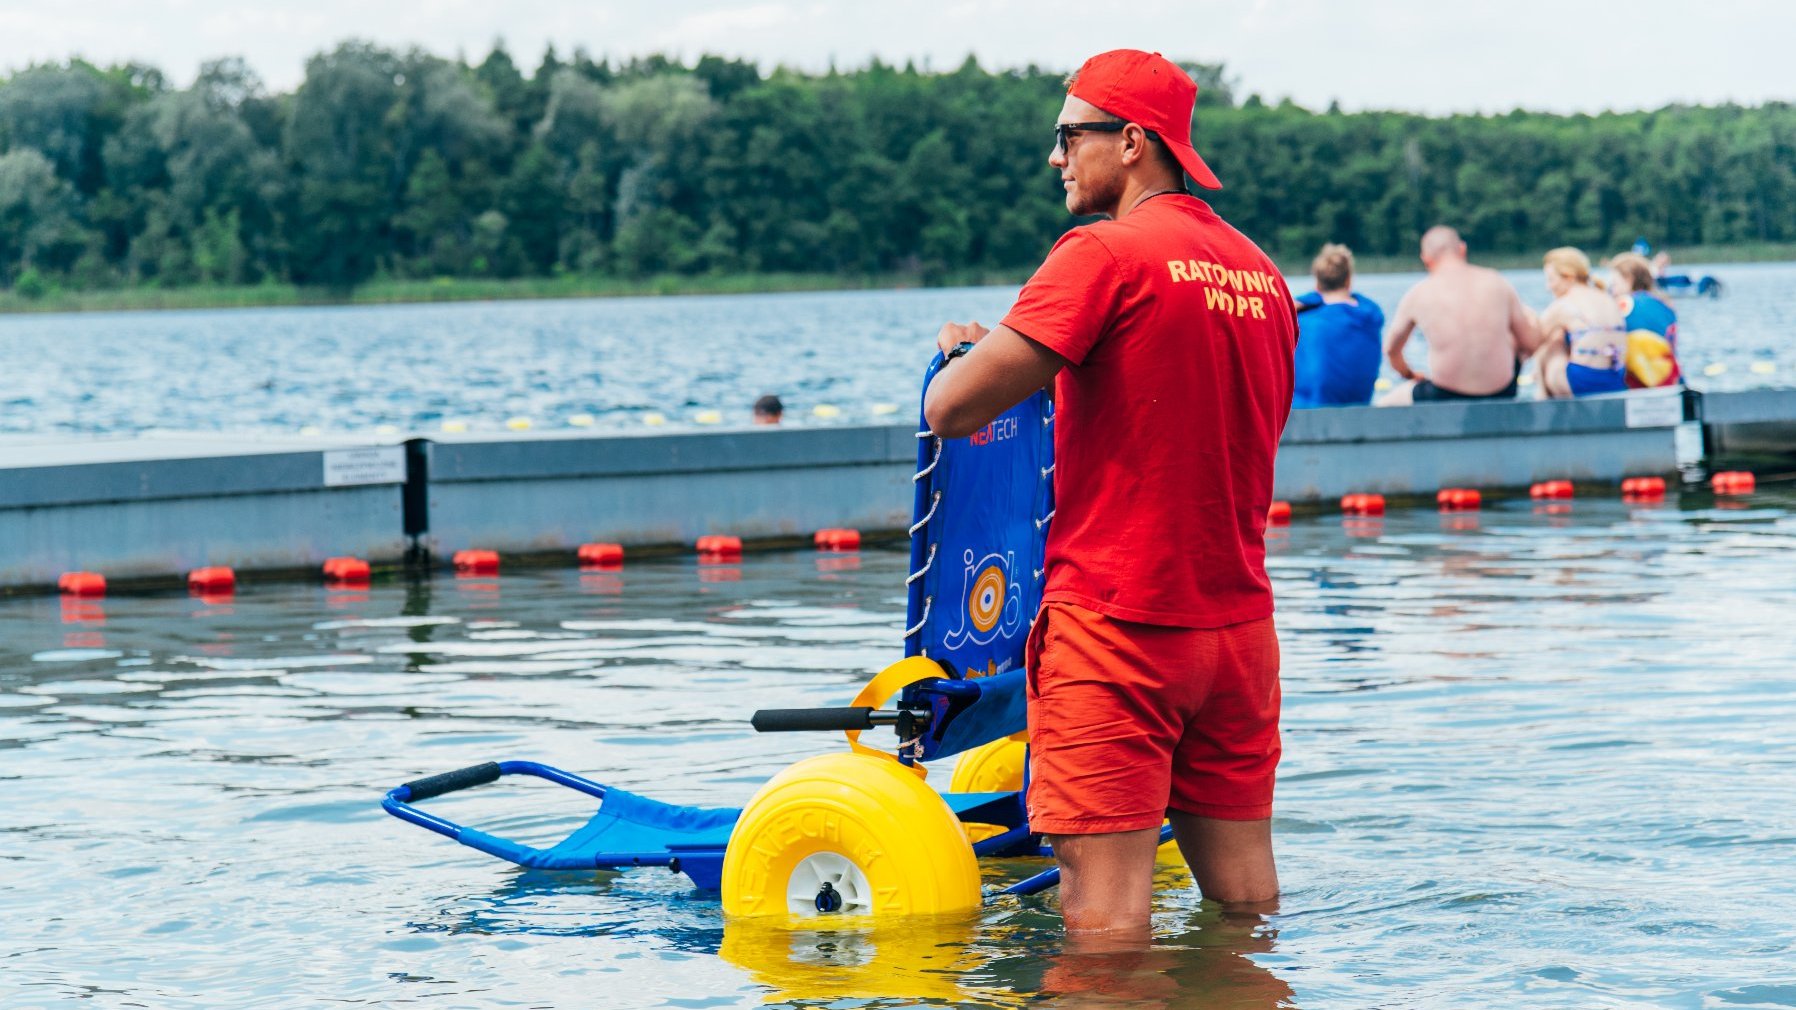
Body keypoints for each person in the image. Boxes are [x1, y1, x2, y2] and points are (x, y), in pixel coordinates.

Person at [922, 49, 1295, 937]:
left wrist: (972, 351)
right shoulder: (1261, 274)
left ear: (1131, 142)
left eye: (1066, 136)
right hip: (1238, 634)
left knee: (1105, 927)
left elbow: (952, 408)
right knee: (1245, 906)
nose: (1055, 158)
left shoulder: (1100, 254)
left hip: (1119, 627)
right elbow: (1179, 415)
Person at [1375, 226, 1543, 405]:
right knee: (1516, 332)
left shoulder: (1418, 294)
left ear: (1426, 259)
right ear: (1462, 249)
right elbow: (1531, 344)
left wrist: (1409, 374)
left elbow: (1391, 351)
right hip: (1502, 390)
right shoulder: (1497, 282)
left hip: (1445, 392)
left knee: (1384, 404)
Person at [1292, 243, 1384, 407]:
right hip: (1360, 406)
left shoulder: (1302, 319)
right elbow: (1361, 302)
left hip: (1307, 409)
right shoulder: (1371, 316)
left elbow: (1290, 306)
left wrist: (1312, 299)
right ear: (1348, 279)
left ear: (1318, 283)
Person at [1532, 247, 1629, 398]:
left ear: (1569, 277)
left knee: (1551, 342)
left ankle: (1541, 398)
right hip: (1615, 379)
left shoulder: (1563, 304)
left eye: (1551, 280)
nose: (1548, 287)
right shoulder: (1606, 297)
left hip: (1582, 382)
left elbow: (1531, 342)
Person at [1608, 252, 1682, 388]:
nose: (1613, 291)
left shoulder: (1625, 304)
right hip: (1671, 377)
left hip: (1642, 381)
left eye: (1615, 284)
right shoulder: (1665, 303)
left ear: (1629, 279)